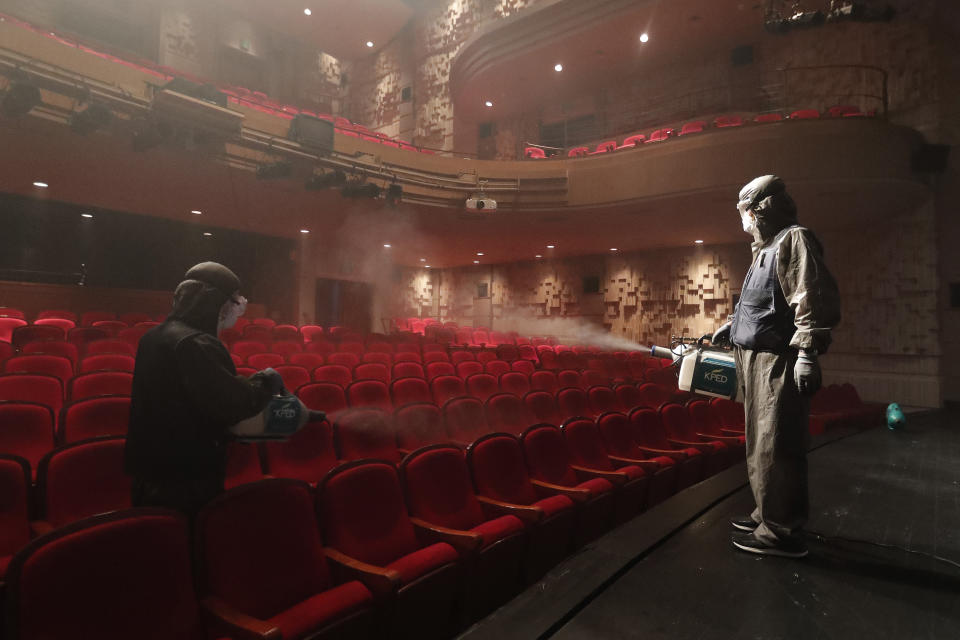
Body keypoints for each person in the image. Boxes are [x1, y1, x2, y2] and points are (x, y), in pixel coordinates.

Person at [711, 175, 841, 558]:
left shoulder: (793, 240)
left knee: (777, 445)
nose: (743, 219)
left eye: (744, 212)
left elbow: (810, 299)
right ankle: (766, 513)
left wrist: (807, 354)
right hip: (754, 361)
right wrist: (732, 326)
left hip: (776, 362)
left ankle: (781, 531)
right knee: (760, 444)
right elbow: (761, 301)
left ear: (758, 210)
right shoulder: (765, 247)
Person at [125, 262, 283, 519]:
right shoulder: (197, 344)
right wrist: (266, 382)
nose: (238, 310)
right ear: (218, 305)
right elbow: (231, 405)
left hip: (149, 473)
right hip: (186, 478)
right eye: (235, 302)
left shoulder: (153, 337)